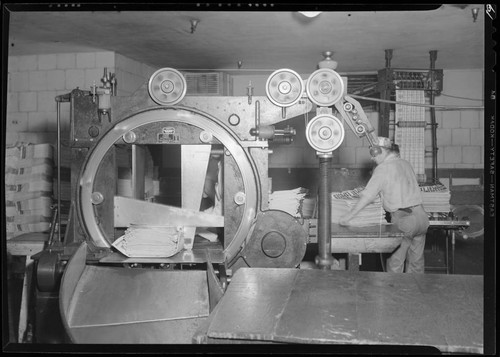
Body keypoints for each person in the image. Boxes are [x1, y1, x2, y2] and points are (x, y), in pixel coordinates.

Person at [339, 137, 429, 273]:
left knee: (395, 264)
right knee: (416, 264)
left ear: (381, 151)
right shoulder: (405, 163)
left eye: (373, 153)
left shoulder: (383, 168)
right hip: (422, 218)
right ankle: (415, 293)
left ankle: (393, 294)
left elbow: (367, 196)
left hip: (404, 220)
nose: (372, 158)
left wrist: (348, 217)